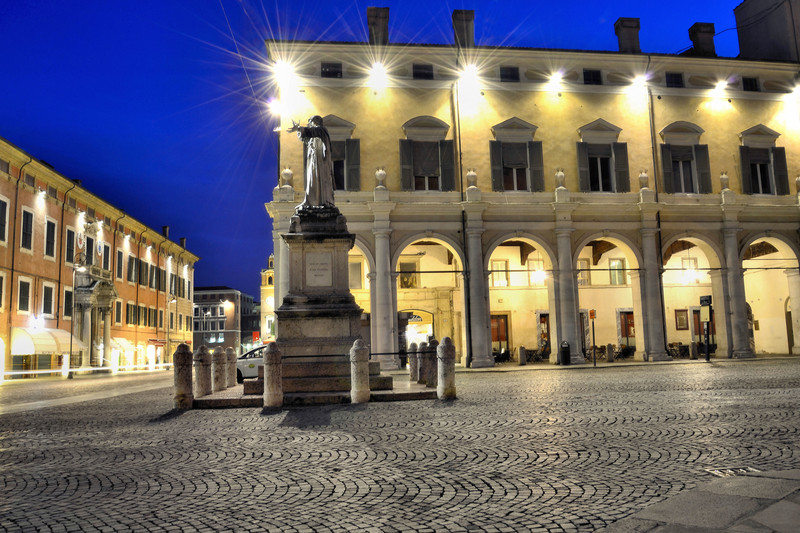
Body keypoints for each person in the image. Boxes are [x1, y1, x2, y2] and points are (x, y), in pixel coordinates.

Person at [287, 115, 335, 209]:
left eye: (310, 122)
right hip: (313, 160)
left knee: (316, 178)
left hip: (319, 161)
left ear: (315, 121)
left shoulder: (321, 130)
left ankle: (318, 201)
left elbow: (312, 131)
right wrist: (298, 130)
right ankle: (311, 200)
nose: (309, 125)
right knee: (312, 180)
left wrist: (299, 128)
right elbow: (305, 138)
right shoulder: (314, 135)